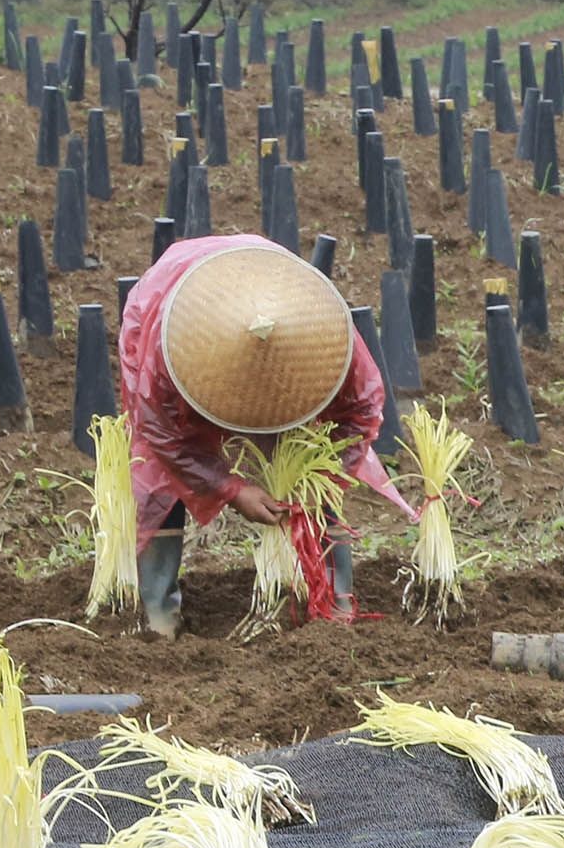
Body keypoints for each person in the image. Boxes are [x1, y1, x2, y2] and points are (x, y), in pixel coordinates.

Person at [117, 234, 413, 636]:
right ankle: (159, 617)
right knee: (159, 481)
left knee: (309, 461)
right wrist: (230, 489)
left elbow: (361, 411)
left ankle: (334, 606)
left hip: (283, 331)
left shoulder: (324, 337)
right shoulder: (166, 353)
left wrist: (320, 480)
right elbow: (162, 436)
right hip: (167, 303)